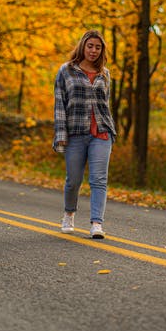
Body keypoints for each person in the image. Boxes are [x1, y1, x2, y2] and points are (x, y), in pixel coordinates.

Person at [53, 29, 116, 239]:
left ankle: (97, 223)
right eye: (90, 46)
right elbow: (59, 106)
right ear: (83, 46)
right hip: (75, 133)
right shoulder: (66, 71)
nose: (93, 50)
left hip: (101, 133)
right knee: (74, 180)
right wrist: (60, 135)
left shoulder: (104, 74)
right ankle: (69, 214)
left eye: (98, 47)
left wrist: (110, 130)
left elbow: (105, 105)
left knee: (99, 179)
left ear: (102, 50)